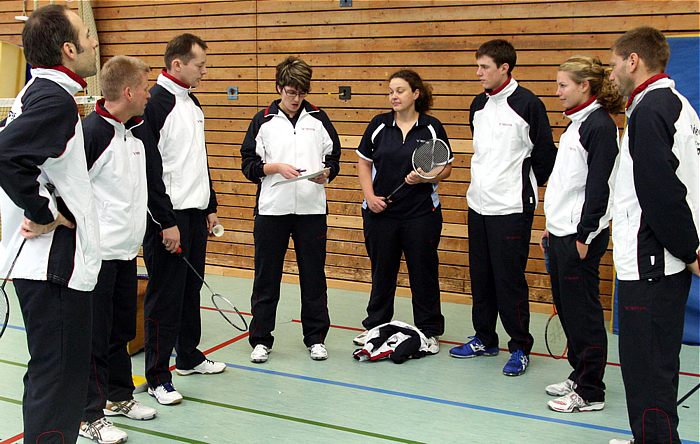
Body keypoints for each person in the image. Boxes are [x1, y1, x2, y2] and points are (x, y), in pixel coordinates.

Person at [0, 5, 101, 442]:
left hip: (47, 268)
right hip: (51, 267)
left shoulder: (40, 91)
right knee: (58, 381)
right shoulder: (54, 99)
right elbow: (6, 154)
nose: (94, 41)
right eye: (86, 35)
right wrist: (42, 212)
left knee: (52, 375)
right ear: (68, 48)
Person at [607, 27, 700, 444]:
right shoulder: (677, 105)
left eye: (614, 63)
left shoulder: (651, 111)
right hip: (660, 264)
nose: (611, 73)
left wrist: (688, 249)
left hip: (653, 265)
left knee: (646, 368)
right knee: (656, 365)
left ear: (633, 61)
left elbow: (662, 190)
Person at [449, 39, 557, 376]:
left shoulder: (528, 104)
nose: (478, 73)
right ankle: (484, 338)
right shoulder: (478, 104)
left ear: (504, 68)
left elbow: (545, 157)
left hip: (512, 208)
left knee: (509, 279)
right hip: (477, 205)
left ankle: (520, 346)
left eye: (484, 67)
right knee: (481, 277)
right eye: (477, 66)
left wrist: (519, 188)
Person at [142, 33, 225, 406]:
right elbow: (148, 169)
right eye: (200, 65)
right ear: (177, 64)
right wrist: (165, 221)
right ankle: (159, 376)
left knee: (192, 289)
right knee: (164, 297)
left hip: (194, 212)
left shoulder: (191, 102)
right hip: (167, 217)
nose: (204, 71)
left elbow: (197, 158)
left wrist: (210, 204)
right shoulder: (155, 105)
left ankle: (188, 356)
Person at [78, 55, 157, 444]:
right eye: (145, 86)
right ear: (127, 91)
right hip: (97, 256)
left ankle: (118, 396)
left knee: (121, 330)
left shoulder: (132, 134)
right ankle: (88, 414)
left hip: (127, 252)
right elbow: (68, 192)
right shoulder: (91, 133)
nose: (148, 93)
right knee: (94, 336)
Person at [241, 56, 340, 363]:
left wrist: (327, 173)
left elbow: (333, 158)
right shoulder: (263, 120)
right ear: (279, 88)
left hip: (311, 210)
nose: (296, 98)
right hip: (272, 211)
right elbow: (248, 164)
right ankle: (260, 339)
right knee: (266, 278)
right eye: (290, 91)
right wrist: (274, 168)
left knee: (313, 277)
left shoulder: (319, 119)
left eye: (300, 92)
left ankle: (315, 338)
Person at [541, 56, 622, 413]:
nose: (557, 92)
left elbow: (600, 188)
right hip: (561, 233)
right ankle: (579, 373)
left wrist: (585, 236)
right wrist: (551, 225)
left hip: (580, 238)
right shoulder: (575, 125)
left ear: (583, 86)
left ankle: (591, 391)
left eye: (563, 85)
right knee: (569, 310)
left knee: (585, 314)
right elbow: (566, 184)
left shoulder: (600, 127)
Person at [354, 69, 453, 354]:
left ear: (416, 94)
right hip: (380, 213)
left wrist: (425, 178)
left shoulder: (431, 128)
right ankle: (375, 325)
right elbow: (363, 163)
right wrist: (369, 196)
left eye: (400, 90)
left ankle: (429, 330)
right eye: (391, 92)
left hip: (420, 214)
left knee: (423, 272)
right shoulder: (379, 125)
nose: (394, 96)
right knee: (381, 271)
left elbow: (445, 168)